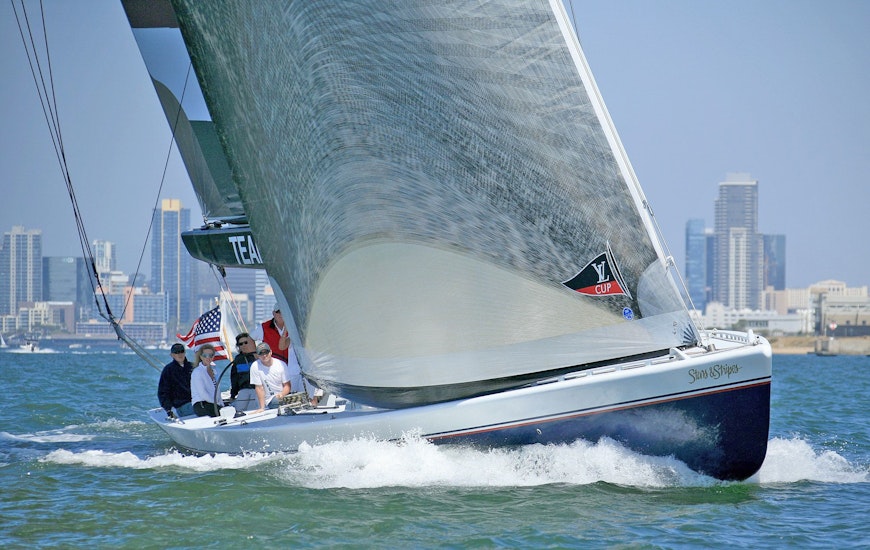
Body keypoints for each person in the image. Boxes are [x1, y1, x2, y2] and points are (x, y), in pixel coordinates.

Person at [250, 341, 305, 412]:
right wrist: (262, 408)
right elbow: (259, 388)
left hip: (283, 396)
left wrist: (282, 394)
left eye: (266, 352)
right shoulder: (255, 366)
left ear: (270, 352)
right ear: (258, 355)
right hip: (270, 400)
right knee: (276, 402)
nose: (264, 355)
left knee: (301, 399)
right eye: (261, 353)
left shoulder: (281, 364)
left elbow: (287, 385)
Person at [157, 343, 194, 418]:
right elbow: (163, 392)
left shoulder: (193, 367)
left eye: (181, 351)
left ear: (185, 352)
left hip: (196, 401)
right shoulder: (168, 370)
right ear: (172, 355)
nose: (179, 354)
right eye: (176, 352)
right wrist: (168, 409)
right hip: (181, 405)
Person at [191, 343, 224, 417]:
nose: (208, 357)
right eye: (205, 355)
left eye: (211, 355)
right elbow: (203, 394)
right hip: (201, 404)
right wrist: (217, 405)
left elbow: (217, 391)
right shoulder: (197, 372)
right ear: (201, 357)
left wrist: (222, 405)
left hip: (213, 404)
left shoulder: (215, 370)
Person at [229, 332, 258, 411]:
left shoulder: (259, 355)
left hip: (257, 388)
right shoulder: (238, 360)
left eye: (246, 342)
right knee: (238, 410)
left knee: (252, 408)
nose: (244, 345)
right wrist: (232, 395)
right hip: (244, 389)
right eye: (240, 344)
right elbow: (234, 379)